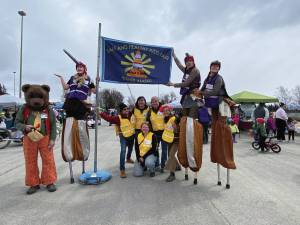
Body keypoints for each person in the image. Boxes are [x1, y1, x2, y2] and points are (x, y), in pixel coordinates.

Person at [56, 61, 96, 181]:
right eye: (78, 67)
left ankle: (84, 154)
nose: (79, 68)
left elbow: (94, 91)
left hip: (81, 105)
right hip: (70, 104)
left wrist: (97, 81)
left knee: (81, 129)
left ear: (84, 69)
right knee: (68, 129)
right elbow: (65, 88)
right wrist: (61, 78)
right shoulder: (72, 78)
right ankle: (68, 154)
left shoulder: (88, 79)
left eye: (81, 67)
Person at [201, 60, 236, 169]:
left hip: (222, 103)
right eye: (213, 66)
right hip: (213, 105)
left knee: (222, 126)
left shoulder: (219, 78)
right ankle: (217, 153)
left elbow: (215, 91)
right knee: (215, 127)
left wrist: (202, 94)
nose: (215, 68)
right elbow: (203, 88)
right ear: (210, 67)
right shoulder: (207, 78)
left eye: (217, 67)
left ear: (218, 69)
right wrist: (198, 92)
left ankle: (225, 154)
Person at [100, 103, 135, 178]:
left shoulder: (131, 115)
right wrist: (101, 113)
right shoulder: (118, 118)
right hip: (123, 136)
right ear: (121, 111)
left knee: (131, 148)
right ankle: (122, 170)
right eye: (124, 110)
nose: (126, 111)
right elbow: (108, 118)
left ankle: (128, 158)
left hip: (131, 135)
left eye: (127, 109)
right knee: (123, 151)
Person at [167, 52, 201, 118]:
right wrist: (174, 56)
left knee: (191, 118)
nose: (189, 62)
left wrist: (173, 84)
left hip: (194, 95)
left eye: (191, 61)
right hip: (186, 95)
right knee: (184, 117)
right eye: (187, 61)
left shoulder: (195, 70)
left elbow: (186, 83)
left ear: (193, 62)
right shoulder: (186, 70)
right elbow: (179, 65)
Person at [161, 105, 180, 182]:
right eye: (164, 111)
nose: (165, 112)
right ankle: (178, 166)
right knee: (170, 154)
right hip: (169, 141)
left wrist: (175, 128)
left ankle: (172, 174)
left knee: (171, 155)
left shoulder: (173, 118)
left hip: (176, 140)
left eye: (167, 110)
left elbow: (177, 129)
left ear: (170, 111)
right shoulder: (165, 119)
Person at [146, 96, 165, 170]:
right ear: (151, 103)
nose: (154, 103)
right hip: (155, 134)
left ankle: (163, 166)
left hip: (164, 133)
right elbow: (148, 122)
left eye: (156, 101)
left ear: (158, 101)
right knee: (155, 150)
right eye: (153, 101)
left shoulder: (163, 109)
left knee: (164, 150)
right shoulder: (149, 112)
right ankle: (157, 165)